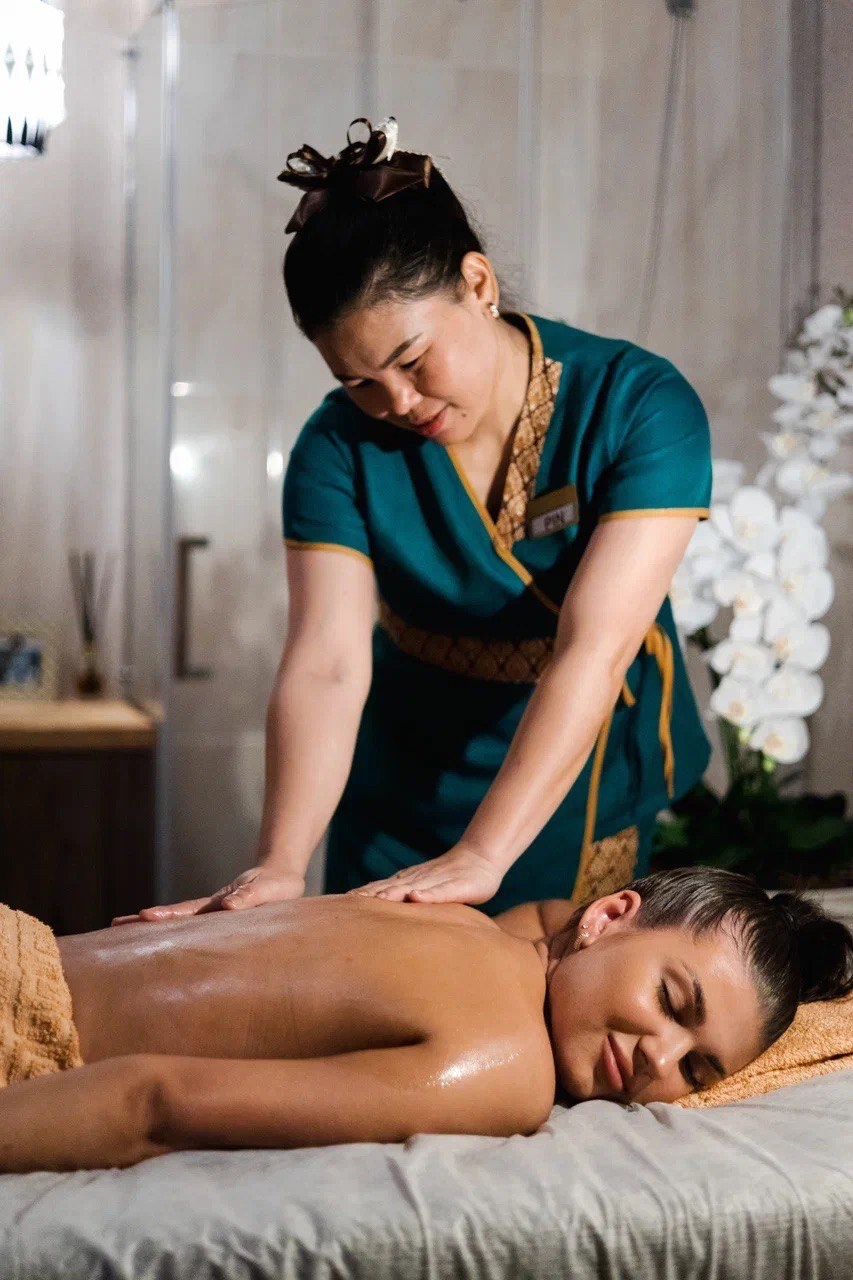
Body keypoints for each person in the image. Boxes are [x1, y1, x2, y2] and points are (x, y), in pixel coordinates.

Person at [128, 115, 715, 923]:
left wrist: (483, 853)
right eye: (359, 381)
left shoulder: (638, 406)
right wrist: (279, 862)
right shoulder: (337, 445)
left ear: (478, 284)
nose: (398, 403)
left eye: (410, 360)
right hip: (400, 777)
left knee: (545, 988)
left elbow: (595, 648)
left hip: (572, 776)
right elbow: (328, 662)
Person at [3, 868, 852, 1172]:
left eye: (698, 1070)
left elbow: (551, 920)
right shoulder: (510, 1068)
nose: (659, 1060)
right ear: (607, 914)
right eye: (671, 1002)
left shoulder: (451, 915)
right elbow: (155, 1102)